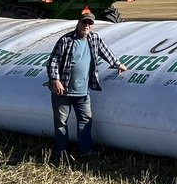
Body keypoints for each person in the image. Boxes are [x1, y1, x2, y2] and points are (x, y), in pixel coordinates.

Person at [44, 12, 128, 163]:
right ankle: (62, 153)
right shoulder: (66, 40)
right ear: (78, 23)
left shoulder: (94, 38)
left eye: (89, 23)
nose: (86, 26)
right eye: (84, 23)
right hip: (62, 90)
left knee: (85, 119)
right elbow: (53, 61)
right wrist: (55, 80)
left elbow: (105, 52)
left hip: (83, 91)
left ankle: (85, 151)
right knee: (61, 122)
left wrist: (117, 64)